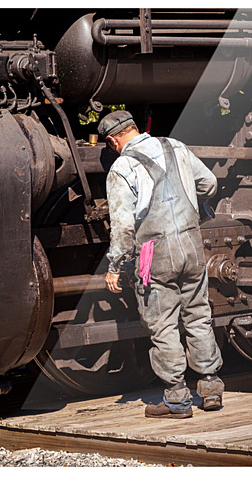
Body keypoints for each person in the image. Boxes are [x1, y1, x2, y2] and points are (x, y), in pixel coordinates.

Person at [98, 110, 225, 419]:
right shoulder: (175, 145)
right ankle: (210, 388)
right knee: (198, 315)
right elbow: (209, 183)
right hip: (192, 244)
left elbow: (123, 227)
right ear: (135, 128)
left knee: (162, 323)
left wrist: (114, 267)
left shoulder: (122, 168)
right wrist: (192, 209)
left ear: (113, 140)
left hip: (152, 252)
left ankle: (177, 398)